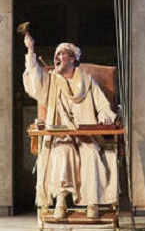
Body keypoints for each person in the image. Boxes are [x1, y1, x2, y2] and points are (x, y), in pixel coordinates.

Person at [23, 32, 118, 219]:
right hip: (62, 136)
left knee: (91, 155)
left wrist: (105, 117)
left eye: (62, 54)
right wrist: (30, 50)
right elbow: (34, 82)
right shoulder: (51, 80)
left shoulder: (88, 81)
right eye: (56, 54)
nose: (57, 57)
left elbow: (103, 107)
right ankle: (60, 203)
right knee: (61, 154)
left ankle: (92, 203)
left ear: (73, 58)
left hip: (85, 136)